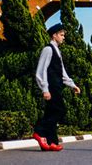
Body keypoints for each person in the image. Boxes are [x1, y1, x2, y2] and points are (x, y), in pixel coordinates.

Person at [32, 23, 81, 152]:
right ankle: (39, 131)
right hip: (51, 88)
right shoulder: (48, 49)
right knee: (60, 110)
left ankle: (51, 142)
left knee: (51, 113)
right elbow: (40, 71)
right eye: (61, 35)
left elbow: (62, 72)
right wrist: (45, 89)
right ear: (54, 35)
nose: (63, 37)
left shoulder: (57, 50)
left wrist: (72, 85)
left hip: (57, 86)